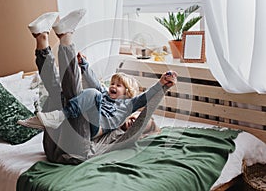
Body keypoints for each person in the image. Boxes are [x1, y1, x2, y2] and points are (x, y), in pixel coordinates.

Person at [18, 9, 177, 163]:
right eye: (113, 84)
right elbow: (95, 81)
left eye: (136, 122)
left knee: (90, 94)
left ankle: (65, 38)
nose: (132, 122)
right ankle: (42, 39)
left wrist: (162, 85)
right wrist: (84, 65)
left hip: (75, 151)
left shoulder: (124, 128)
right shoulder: (106, 97)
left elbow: (145, 102)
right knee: (60, 94)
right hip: (55, 145)